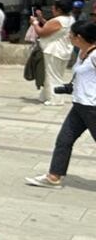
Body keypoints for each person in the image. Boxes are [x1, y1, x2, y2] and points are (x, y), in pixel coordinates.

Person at [26, 21, 96, 189]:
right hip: (79, 105)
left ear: (79, 37)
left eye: (70, 35)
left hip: (92, 108)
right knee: (64, 140)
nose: (68, 37)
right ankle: (54, 177)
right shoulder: (82, 53)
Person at [31, 1, 76, 106]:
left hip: (54, 50)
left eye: (53, 8)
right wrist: (41, 19)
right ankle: (46, 95)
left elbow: (42, 32)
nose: (52, 10)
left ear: (59, 10)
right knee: (55, 74)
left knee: (53, 75)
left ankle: (56, 98)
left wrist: (35, 23)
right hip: (64, 50)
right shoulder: (70, 19)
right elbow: (51, 27)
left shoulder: (58, 20)